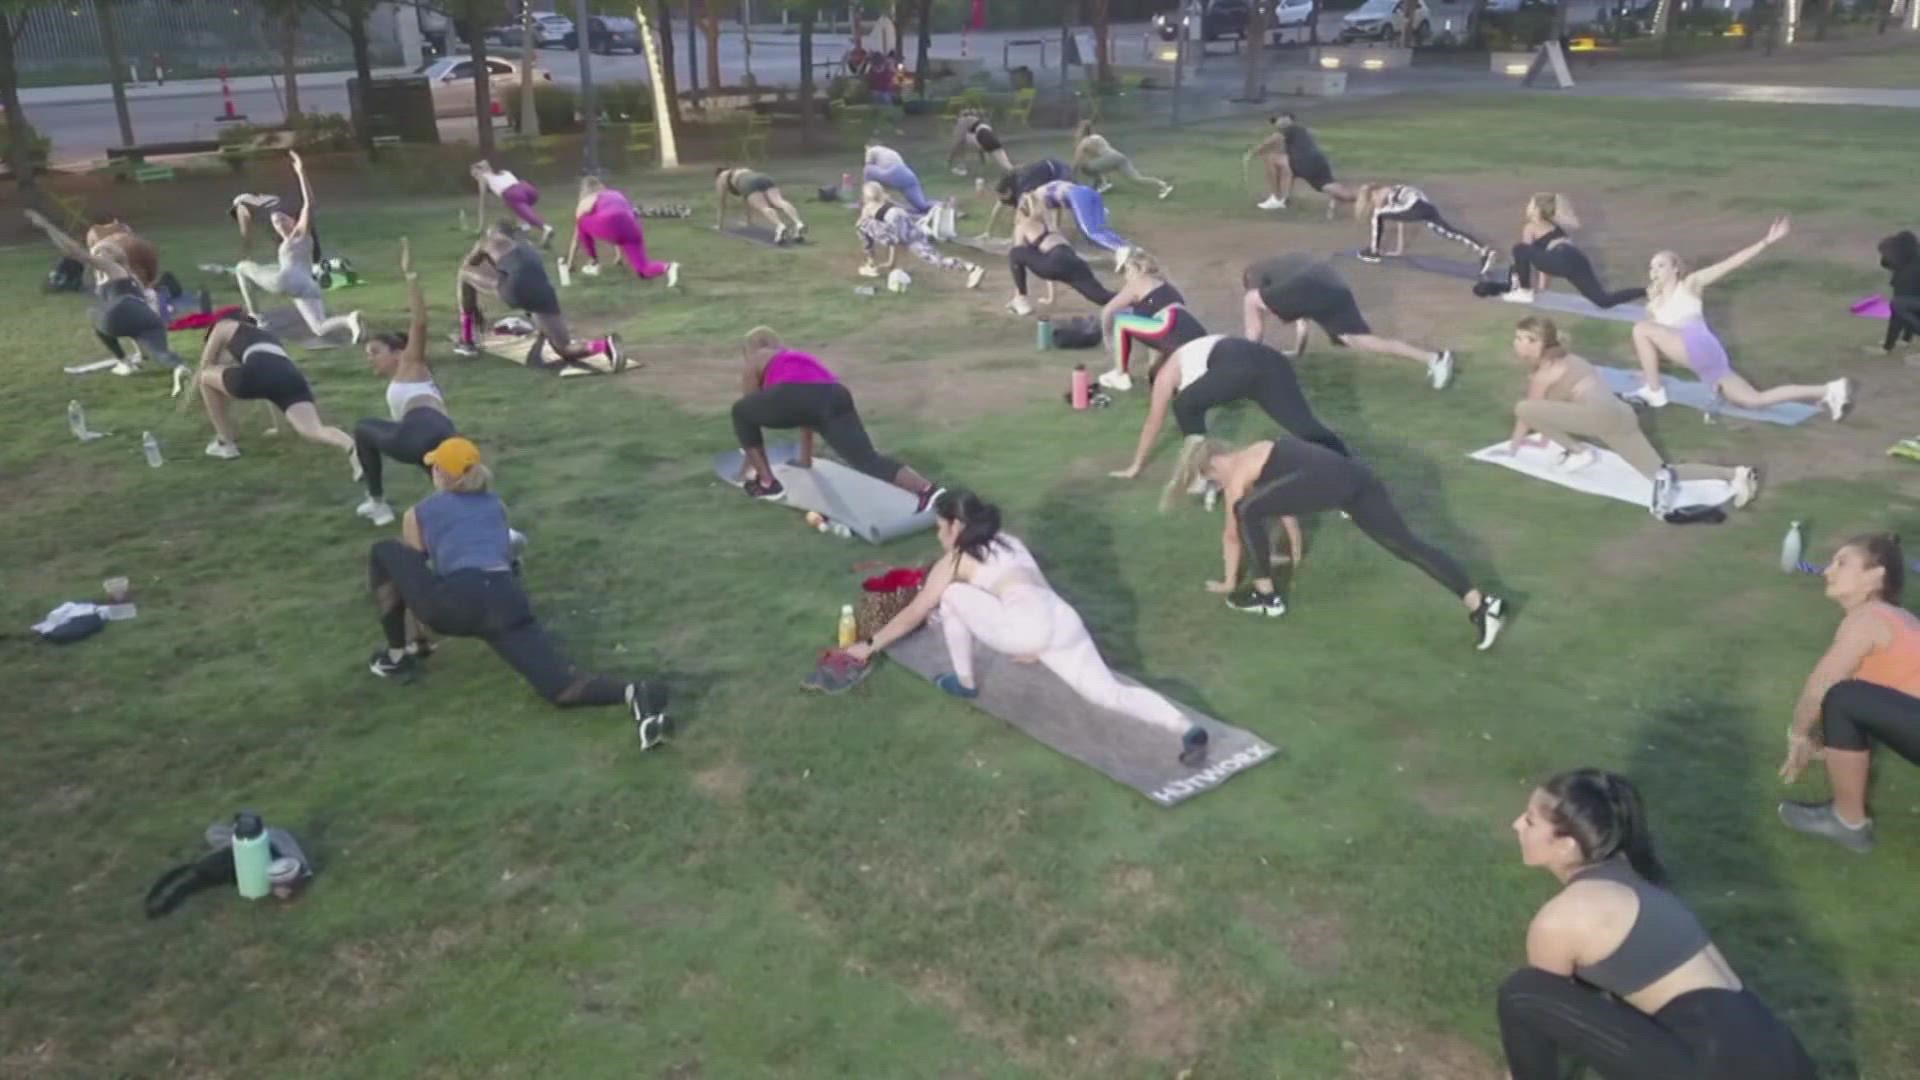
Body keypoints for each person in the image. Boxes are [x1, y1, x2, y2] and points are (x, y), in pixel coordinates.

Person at [841, 491, 1211, 767]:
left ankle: (965, 682)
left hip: (1025, 627)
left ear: (957, 526)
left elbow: (915, 612)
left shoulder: (954, 561)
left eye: (941, 528)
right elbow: (1042, 591)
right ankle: (1185, 728)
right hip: (1062, 620)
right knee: (1110, 694)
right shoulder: (1010, 542)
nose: (939, 536)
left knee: (951, 596)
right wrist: (1037, 644)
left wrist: (869, 645)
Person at [1499, 769, 1817, 1079]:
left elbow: (1542, 1019)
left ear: (1566, 844)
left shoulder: (1563, 918)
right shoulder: (1635, 876)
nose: (1516, 824)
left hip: (1718, 1066)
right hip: (1783, 1056)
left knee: (1522, 992)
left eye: (1530, 820)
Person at [364, 437, 671, 747]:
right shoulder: (496, 505)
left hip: (456, 602)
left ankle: (396, 655)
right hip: (506, 600)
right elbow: (507, 559)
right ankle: (635, 691)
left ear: (442, 474)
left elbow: (415, 576)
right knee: (561, 689)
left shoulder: (419, 512)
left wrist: (420, 640)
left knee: (384, 550)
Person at [1165, 437, 1506, 646]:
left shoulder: (1238, 473)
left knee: (1246, 509)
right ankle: (1481, 604)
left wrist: (1229, 581)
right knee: (1406, 546)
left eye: (1210, 480)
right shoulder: (1260, 451)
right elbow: (1289, 505)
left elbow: (1232, 533)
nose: (1217, 486)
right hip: (1354, 477)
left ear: (1212, 465)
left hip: (1331, 481)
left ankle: (1267, 597)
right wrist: (1294, 549)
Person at [1501, 317, 1758, 513]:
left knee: (1522, 407)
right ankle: (1735, 474)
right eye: (1517, 337)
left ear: (1541, 343)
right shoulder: (1570, 358)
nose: (1517, 343)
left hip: (1599, 417)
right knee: (1661, 473)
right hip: (1620, 416)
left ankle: (1579, 453)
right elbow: (1552, 413)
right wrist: (1548, 436)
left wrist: (1514, 447)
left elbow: (1529, 414)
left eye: (1525, 338)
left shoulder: (1544, 374)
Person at [1626, 217, 1850, 419]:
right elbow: (1659, 351)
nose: (1654, 270)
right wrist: (1648, 373)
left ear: (1675, 269)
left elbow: (1730, 263)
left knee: (1640, 329)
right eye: (1652, 267)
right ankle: (1829, 390)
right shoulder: (1653, 306)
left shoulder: (1690, 285)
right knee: (1754, 400)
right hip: (1707, 363)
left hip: (1697, 343)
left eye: (1661, 265)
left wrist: (1766, 242)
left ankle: (1655, 394)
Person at [1778, 533, 1919, 854]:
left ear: (1875, 574)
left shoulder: (1868, 620)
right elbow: (1887, 714)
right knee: (1848, 700)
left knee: (1843, 697)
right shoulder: (1898, 619)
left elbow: (1821, 685)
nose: (1828, 571)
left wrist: (1798, 735)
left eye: (1842, 563)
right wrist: (1829, 747)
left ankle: (1847, 823)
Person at [729, 326, 944, 508]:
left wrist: (747, 469)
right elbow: (807, 411)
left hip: (799, 397)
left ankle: (767, 484)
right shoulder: (796, 357)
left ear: (748, 350)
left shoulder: (756, 359)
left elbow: (750, 413)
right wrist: (805, 460)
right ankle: (929, 491)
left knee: (740, 411)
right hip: (835, 394)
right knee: (867, 459)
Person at [1111, 333, 1348, 480]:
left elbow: (1154, 421)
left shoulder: (1165, 374)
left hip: (1238, 363)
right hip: (1272, 361)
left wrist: (1135, 465)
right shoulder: (1191, 354)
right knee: (1305, 426)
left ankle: (1203, 473)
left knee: (1184, 405)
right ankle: (1351, 469)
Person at [23, 209, 190, 392]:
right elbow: (136, 312)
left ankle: (126, 363)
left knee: (97, 315)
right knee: (161, 353)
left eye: (105, 250)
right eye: (99, 249)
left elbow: (74, 252)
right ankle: (180, 368)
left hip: (122, 315)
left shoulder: (112, 267)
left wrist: (47, 226)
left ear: (115, 257)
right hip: (142, 319)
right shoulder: (118, 275)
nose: (100, 251)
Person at [354, 239, 457, 528]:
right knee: (457, 486)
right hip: (443, 433)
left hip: (423, 430)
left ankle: (378, 504)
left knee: (363, 429)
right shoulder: (418, 376)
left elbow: (420, 322)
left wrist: (409, 275)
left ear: (399, 353)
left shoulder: (411, 364)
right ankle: (502, 531)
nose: (370, 360)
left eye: (375, 352)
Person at [1243, 255, 1455, 390]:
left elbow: (1255, 299)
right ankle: (1434, 358)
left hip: (1313, 283)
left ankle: (1245, 360)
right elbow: (1302, 321)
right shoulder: (1285, 277)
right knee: (1357, 340)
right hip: (1334, 286)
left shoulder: (1255, 275)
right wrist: (1297, 352)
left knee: (1250, 300)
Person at [455, 221, 624, 373]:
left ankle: (466, 339)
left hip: (515, 286)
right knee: (564, 348)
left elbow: (469, 265)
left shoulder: (489, 241)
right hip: (543, 290)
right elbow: (527, 273)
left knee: (463, 274)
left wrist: (473, 308)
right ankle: (605, 345)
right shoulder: (527, 246)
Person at [232, 151, 362, 343]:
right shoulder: (288, 242)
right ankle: (349, 321)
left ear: (294, 220)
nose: (279, 223)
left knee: (241, 267)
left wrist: (301, 172)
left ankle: (256, 317)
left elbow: (309, 204)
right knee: (319, 328)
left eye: (282, 219)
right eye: (276, 223)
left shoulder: (300, 234)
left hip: (288, 280)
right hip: (307, 286)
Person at [193, 313, 357, 462]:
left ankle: (225, 442)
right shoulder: (267, 338)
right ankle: (351, 445)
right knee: (314, 429)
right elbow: (271, 388)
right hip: (291, 377)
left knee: (204, 377)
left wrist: (197, 387)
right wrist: (279, 428)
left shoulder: (222, 326)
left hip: (258, 373)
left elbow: (205, 365)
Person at [1479, 193, 1646, 310]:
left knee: (1519, 249)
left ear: (1537, 210)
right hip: (1576, 259)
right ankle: (1646, 291)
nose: (1527, 207)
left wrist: (1528, 288)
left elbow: (1528, 256)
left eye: (1530, 204)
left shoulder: (1531, 227)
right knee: (1603, 300)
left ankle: (1524, 291)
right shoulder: (1554, 227)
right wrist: (1543, 288)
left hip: (1561, 259)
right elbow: (1544, 261)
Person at [1098, 250, 1210, 392]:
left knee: (1122, 321)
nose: (1124, 277)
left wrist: (1107, 338)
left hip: (1170, 329)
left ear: (1132, 267)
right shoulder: (1166, 285)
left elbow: (1108, 311)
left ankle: (1120, 375)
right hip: (1197, 334)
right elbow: (1158, 340)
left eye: (1124, 271)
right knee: (1160, 377)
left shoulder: (1137, 283)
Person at [855, 183, 986, 289]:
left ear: (866, 196)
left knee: (861, 225)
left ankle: (870, 264)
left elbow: (894, 240)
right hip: (914, 231)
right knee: (937, 260)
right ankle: (972, 268)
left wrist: (891, 262)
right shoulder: (888, 202)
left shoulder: (868, 208)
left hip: (902, 229)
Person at [1005, 192, 1115, 316]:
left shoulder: (1023, 225)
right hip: (1074, 261)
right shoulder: (1050, 225)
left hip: (1054, 262)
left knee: (1015, 252)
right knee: (1101, 296)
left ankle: (1021, 301)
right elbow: (1052, 269)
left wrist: (1019, 294)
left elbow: (1018, 259)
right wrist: (1052, 298)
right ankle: (1136, 299)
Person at [1352, 182, 1496, 275]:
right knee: (1450, 233)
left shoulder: (1381, 192)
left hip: (1413, 206)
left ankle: (1373, 252)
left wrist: (1398, 249)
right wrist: (1399, 249)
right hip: (1425, 207)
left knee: (1377, 215)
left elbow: (1397, 213)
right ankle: (1484, 250)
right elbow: (1400, 218)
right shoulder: (1394, 191)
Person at [568, 176, 680, 288]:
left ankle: (593, 262)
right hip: (632, 227)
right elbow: (619, 217)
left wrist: (570, 262)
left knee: (581, 222)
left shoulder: (585, 201)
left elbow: (577, 237)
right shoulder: (615, 194)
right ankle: (668, 267)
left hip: (611, 226)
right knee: (643, 270)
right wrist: (619, 255)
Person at [1243, 113, 1358, 216]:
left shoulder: (1289, 129)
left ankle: (1276, 198)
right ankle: (1362, 197)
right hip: (1318, 161)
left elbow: (1273, 140)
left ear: (1287, 119)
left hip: (1304, 162)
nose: (1275, 124)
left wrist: (1252, 153)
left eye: (1276, 120)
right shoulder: (1301, 131)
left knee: (1270, 158)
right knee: (1331, 187)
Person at [1031, 177, 1134, 271]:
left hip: (1078, 196)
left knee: (1090, 232)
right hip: (1089, 191)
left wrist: (1055, 232)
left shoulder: (1039, 196)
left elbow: (1052, 216)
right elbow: (1058, 211)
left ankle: (1121, 249)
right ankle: (1129, 248)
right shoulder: (1047, 187)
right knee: (1098, 230)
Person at [1070, 120, 1173, 200]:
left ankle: (1104, 184)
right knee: (1137, 179)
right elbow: (1099, 154)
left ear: (1081, 131)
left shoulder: (1084, 142)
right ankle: (1163, 186)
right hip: (1119, 156)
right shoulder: (1097, 136)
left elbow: (1077, 160)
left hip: (1110, 158)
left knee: (1084, 167)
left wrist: (1071, 174)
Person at [714, 166, 807, 244]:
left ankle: (780, 226)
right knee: (779, 201)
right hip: (763, 177)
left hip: (747, 183)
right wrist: (748, 221)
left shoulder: (721, 178)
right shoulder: (741, 170)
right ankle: (798, 223)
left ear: (717, 175)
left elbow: (722, 204)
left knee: (763, 207)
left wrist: (719, 225)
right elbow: (745, 200)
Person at [984, 157, 1072, 238]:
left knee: (1053, 199)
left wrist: (1014, 239)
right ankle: (1054, 230)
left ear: (1009, 191)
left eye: (1002, 196)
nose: (1001, 199)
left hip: (1058, 170)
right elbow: (998, 208)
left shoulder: (1024, 189)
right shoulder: (1010, 185)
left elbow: (1023, 215)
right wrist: (988, 231)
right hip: (1043, 172)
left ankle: (1055, 231)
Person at [471, 160, 552, 247]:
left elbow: (483, 203)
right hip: (527, 188)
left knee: (522, 211)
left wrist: (480, 227)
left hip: (513, 194)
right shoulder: (504, 171)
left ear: (481, 171)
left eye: (475, 174)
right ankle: (525, 229)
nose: (476, 177)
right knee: (514, 209)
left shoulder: (483, 177)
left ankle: (545, 228)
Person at [231, 191, 322, 266]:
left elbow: (246, 236)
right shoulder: (265, 200)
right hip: (299, 213)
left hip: (283, 218)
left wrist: (242, 260)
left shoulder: (241, 205)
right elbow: (273, 234)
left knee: (293, 254)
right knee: (309, 251)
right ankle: (316, 265)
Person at [1868, 229, 1919, 357]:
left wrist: (1886, 347)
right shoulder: (1914, 259)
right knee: (1904, 305)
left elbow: (1898, 313)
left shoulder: (1908, 273)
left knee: (1899, 305)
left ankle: (1895, 344)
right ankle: (1905, 340)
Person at [862, 141, 936, 214]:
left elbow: (868, 167)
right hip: (908, 175)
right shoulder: (890, 152)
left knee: (867, 169)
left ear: (868, 147)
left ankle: (867, 199)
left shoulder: (872, 150)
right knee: (922, 206)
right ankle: (939, 205)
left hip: (893, 173)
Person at [947, 112, 1014, 176]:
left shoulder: (962, 121)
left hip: (985, 139)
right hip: (991, 139)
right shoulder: (978, 122)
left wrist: (949, 159)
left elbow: (958, 141)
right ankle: (1015, 171)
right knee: (1006, 164)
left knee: (961, 141)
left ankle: (962, 167)